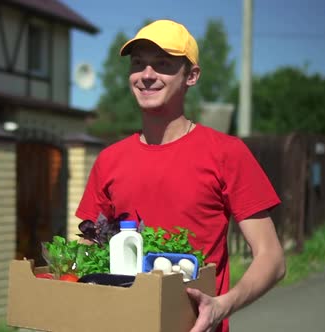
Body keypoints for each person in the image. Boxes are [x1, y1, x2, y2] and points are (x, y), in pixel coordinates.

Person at [75, 19, 285, 332]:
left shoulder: (226, 153)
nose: (147, 75)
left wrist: (221, 306)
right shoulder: (109, 160)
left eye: (162, 65)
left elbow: (272, 258)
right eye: (138, 64)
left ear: (192, 76)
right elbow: (91, 256)